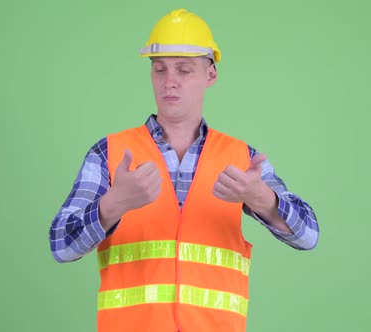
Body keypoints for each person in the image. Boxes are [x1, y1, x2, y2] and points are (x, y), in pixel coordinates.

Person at [49, 8, 319, 332]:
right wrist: (113, 205)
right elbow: (61, 246)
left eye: (184, 70)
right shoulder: (109, 154)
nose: (170, 82)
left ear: (211, 75)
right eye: (159, 69)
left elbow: (309, 236)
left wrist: (263, 199)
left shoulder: (240, 160)